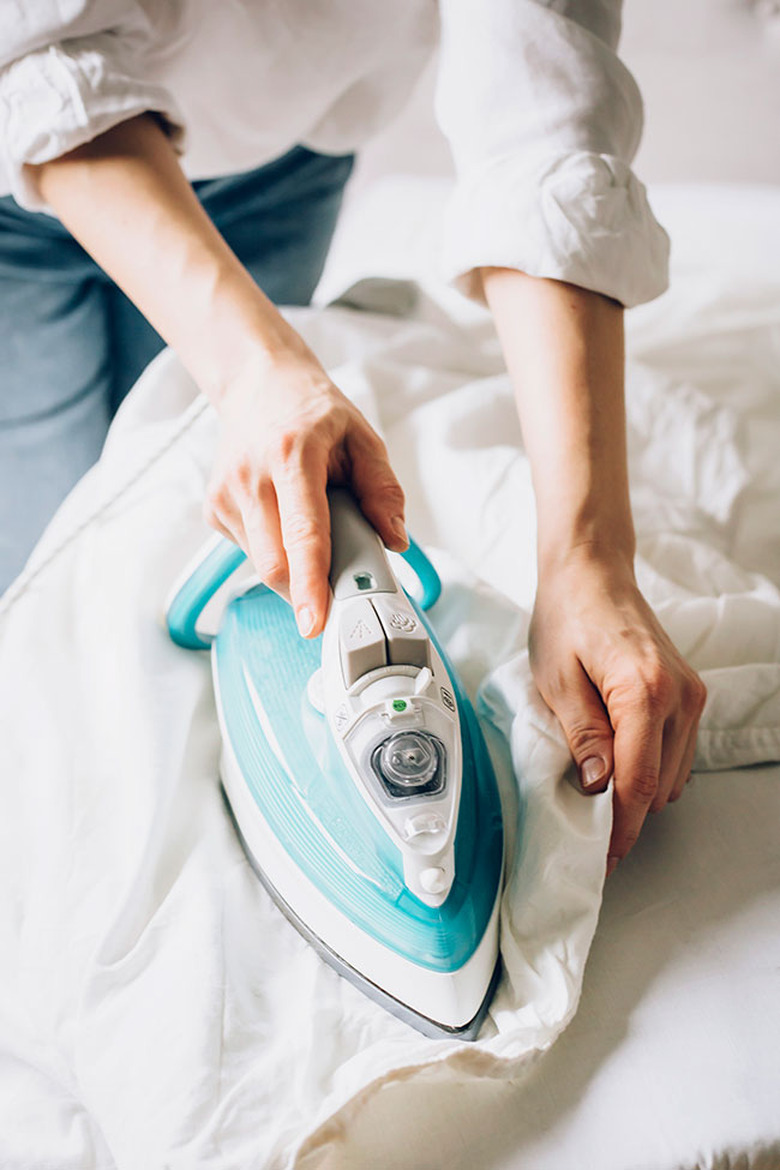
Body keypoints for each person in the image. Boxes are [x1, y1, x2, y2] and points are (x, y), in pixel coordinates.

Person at [0, 1, 706, 876]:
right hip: (19, 166)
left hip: (285, 159)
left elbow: (544, 128)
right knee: (57, 547)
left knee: (205, 484)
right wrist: (261, 372)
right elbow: (30, 50)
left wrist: (587, 555)